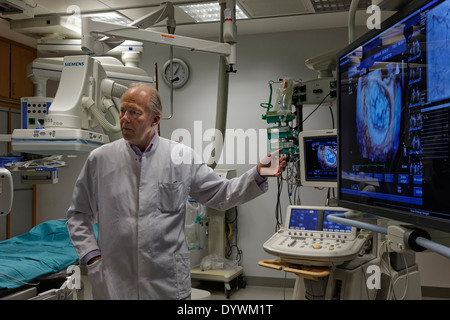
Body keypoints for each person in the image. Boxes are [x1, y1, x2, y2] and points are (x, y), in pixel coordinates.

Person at [66, 85, 286, 300]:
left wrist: (258, 174)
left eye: (134, 113)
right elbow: (78, 214)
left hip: (165, 277)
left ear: (155, 120)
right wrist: (92, 257)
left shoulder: (181, 157)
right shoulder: (100, 159)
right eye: (123, 111)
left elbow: (221, 194)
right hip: (115, 277)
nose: (124, 118)